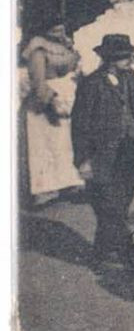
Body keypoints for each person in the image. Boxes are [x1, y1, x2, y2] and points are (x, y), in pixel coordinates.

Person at [70, 32, 134, 267]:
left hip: (130, 150)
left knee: (120, 206)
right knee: (110, 207)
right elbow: (80, 124)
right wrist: (83, 160)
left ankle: (100, 254)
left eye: (129, 56)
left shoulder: (132, 78)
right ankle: (130, 257)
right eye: (124, 57)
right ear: (110, 59)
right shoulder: (91, 84)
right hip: (103, 153)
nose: (129, 61)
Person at [21, 22, 82, 206]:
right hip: (46, 101)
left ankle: (68, 183)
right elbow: (37, 78)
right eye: (54, 28)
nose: (59, 31)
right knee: (43, 147)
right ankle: (44, 189)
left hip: (66, 97)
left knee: (64, 144)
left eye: (62, 27)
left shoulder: (65, 44)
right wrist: (49, 100)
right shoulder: (37, 48)